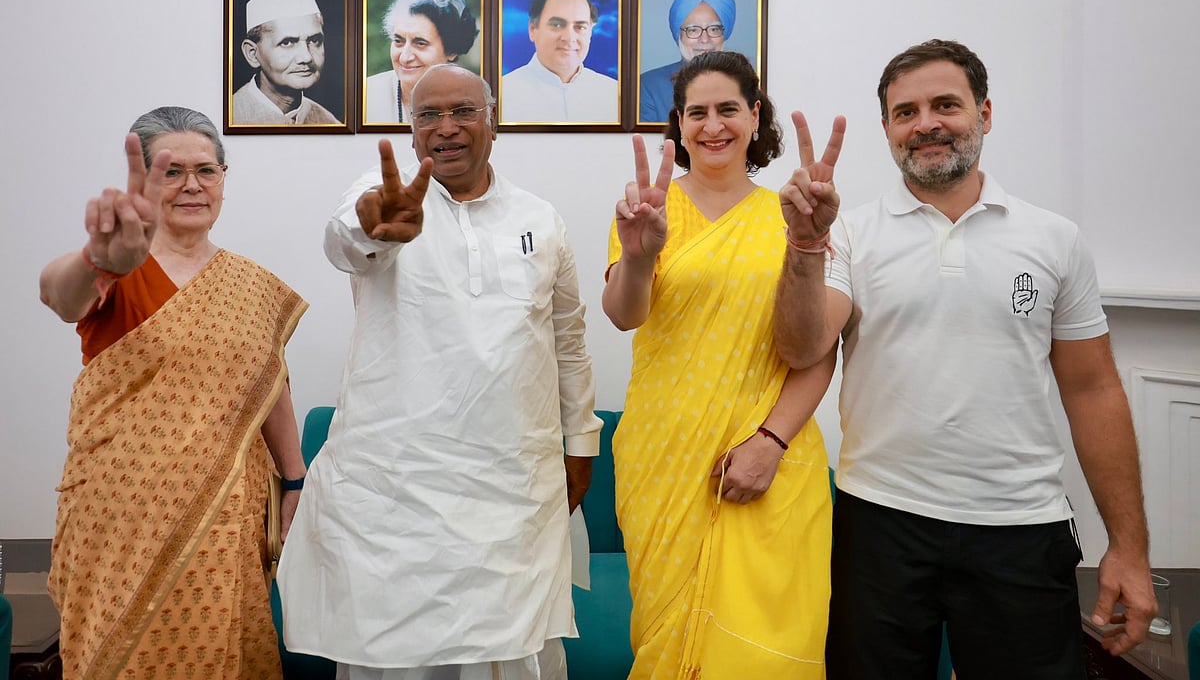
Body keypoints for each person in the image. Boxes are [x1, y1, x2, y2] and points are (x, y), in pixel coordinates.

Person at [774, 39, 1156, 678]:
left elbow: (1092, 390)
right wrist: (806, 245)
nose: (925, 123)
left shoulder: (1053, 238)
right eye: (905, 112)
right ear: (889, 130)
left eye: (944, 105)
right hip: (880, 525)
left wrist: (1130, 547)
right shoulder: (848, 233)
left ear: (984, 112)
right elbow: (804, 346)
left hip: (1020, 528)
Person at [277, 64, 600, 680]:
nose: (445, 128)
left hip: (510, 492)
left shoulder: (540, 218)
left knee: (509, 652)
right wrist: (376, 227)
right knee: (391, 659)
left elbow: (567, 338)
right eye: (428, 115)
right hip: (395, 494)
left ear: (494, 121)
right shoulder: (383, 194)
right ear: (410, 128)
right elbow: (346, 239)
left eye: (463, 112)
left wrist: (581, 440)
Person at [38, 106, 308, 679]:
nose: (192, 184)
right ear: (145, 182)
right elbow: (58, 296)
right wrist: (95, 259)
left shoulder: (254, 285)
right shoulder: (115, 269)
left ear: (223, 180)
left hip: (225, 510)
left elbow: (272, 384)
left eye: (206, 170)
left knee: (222, 652)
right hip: (122, 511)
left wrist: (295, 480)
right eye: (172, 171)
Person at [603, 51, 834, 678]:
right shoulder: (646, 208)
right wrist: (640, 255)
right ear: (678, 124)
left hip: (772, 456)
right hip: (665, 457)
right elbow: (624, 315)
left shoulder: (796, 213)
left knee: (766, 656)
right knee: (666, 643)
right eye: (696, 112)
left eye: (728, 109)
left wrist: (770, 443)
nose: (713, 126)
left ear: (754, 117)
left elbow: (818, 350)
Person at [364, 0, 480, 124]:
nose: (405, 57)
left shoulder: (476, 102)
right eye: (398, 41)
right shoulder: (365, 96)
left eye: (420, 43)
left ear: (451, 50)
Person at [500, 0, 618, 123]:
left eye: (580, 27)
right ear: (532, 29)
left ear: (590, 33)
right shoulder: (503, 94)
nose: (569, 37)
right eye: (556, 25)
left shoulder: (613, 94)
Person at [232, 0, 341, 125]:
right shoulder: (229, 117)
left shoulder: (328, 122)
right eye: (288, 43)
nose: (306, 57)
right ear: (252, 54)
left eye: (314, 40)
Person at [639, 0, 735, 123]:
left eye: (714, 29)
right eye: (693, 30)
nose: (704, 39)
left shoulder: (742, 83)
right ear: (679, 36)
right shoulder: (650, 86)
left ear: (724, 34)